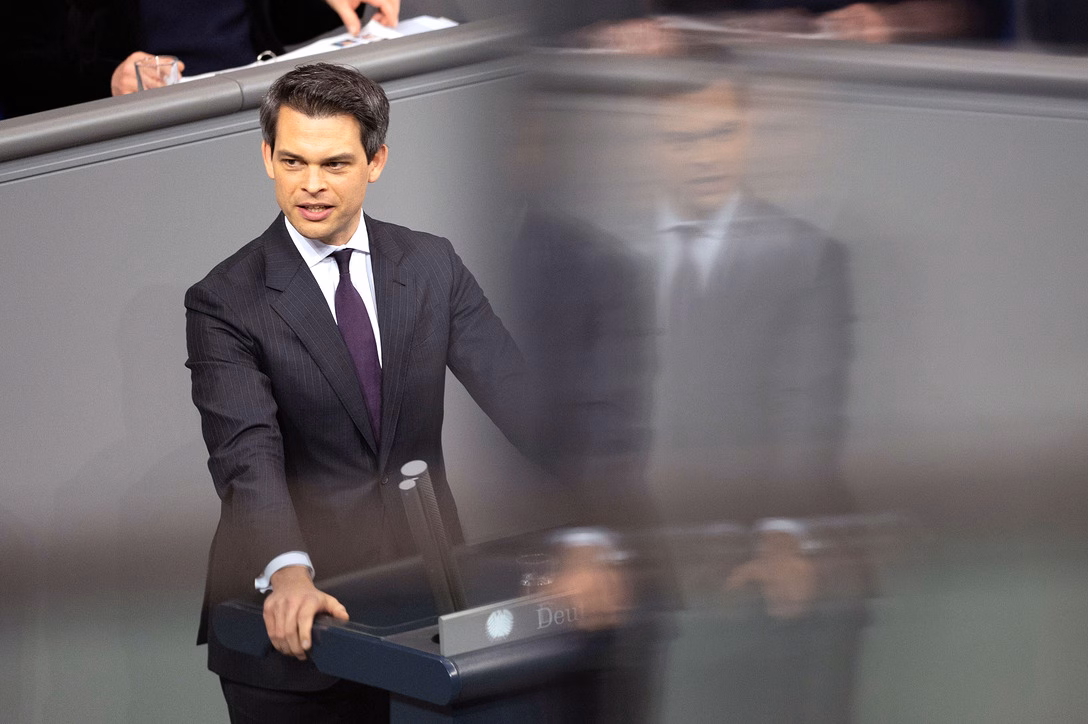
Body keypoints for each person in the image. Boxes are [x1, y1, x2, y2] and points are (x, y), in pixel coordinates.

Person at [184, 62, 532, 721]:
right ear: (267, 157)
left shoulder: (432, 265)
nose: (310, 185)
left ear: (376, 162)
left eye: (335, 164)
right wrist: (288, 574)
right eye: (293, 161)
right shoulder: (225, 300)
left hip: (425, 614)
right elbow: (246, 456)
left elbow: (522, 402)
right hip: (289, 638)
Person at [640, 78, 869, 722]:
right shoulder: (611, 251)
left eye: (722, 134)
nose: (706, 156)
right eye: (683, 140)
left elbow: (809, 407)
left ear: (749, 135)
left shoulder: (808, 255)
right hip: (647, 560)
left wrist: (782, 536)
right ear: (651, 148)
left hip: (755, 566)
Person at [0, 0, 399, 117]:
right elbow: (19, 67)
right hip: (143, 125)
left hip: (259, 104)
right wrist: (108, 78)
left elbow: (263, 23)